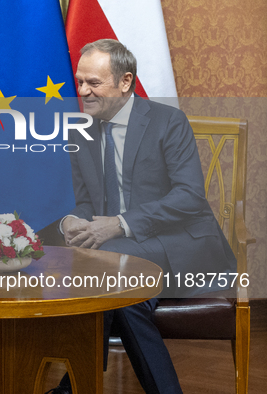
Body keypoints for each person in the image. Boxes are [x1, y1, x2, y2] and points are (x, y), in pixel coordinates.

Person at [48, 40, 236, 394]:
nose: (84, 92)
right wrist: (71, 221)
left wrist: (120, 223)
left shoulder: (168, 121)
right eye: (79, 82)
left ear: (125, 81)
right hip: (124, 255)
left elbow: (190, 197)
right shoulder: (81, 130)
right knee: (125, 296)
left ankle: (71, 387)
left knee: (106, 266)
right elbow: (86, 202)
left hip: (181, 245)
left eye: (94, 83)